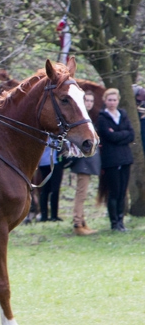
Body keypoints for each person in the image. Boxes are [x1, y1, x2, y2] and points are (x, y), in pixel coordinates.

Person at [95, 87, 134, 231]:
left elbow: (131, 134)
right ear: (105, 101)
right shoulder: (102, 118)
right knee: (114, 191)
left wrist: (117, 134)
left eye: (114, 100)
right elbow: (109, 136)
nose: (112, 102)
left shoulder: (123, 114)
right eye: (109, 100)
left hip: (125, 158)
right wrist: (121, 134)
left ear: (118, 101)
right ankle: (114, 222)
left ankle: (121, 220)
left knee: (123, 191)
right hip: (111, 160)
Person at [69, 91, 100, 236]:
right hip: (82, 161)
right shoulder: (78, 120)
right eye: (86, 100)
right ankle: (77, 223)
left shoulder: (89, 118)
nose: (89, 103)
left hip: (89, 162)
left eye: (91, 101)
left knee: (83, 193)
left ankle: (82, 220)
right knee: (81, 193)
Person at [35, 145, 63, 223]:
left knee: (47, 190)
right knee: (51, 190)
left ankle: (48, 215)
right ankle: (50, 216)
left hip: (46, 163)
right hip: (50, 163)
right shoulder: (53, 136)